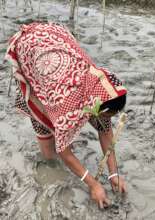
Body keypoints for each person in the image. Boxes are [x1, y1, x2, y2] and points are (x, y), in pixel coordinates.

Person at [5, 22, 127, 209]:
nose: (106, 120)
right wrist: (93, 184)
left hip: (53, 43)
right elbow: (64, 151)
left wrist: (113, 173)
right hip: (33, 51)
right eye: (105, 115)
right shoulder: (66, 105)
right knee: (49, 150)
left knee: (77, 128)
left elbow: (106, 130)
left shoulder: (97, 84)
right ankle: (50, 169)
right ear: (94, 106)